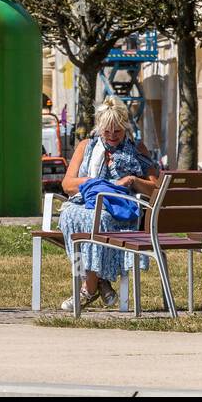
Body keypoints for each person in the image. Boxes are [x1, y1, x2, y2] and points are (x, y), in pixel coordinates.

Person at [58, 95, 159, 311]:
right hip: (87, 203)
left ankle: (89, 287)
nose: (112, 136)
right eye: (107, 131)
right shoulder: (86, 146)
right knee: (70, 217)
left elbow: (155, 189)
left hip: (120, 210)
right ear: (99, 128)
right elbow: (67, 184)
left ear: (125, 127)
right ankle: (98, 282)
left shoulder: (137, 149)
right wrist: (98, 183)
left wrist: (131, 180)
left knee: (99, 218)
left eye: (118, 131)